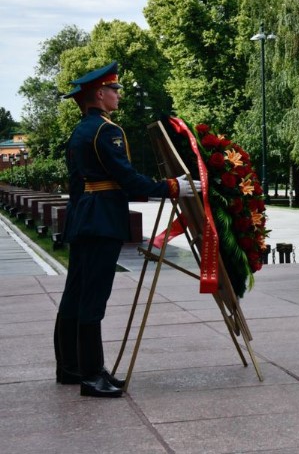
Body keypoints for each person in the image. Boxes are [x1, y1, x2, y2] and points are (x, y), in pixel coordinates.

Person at [54, 62, 199, 397]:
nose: (118, 95)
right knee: (93, 298)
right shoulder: (107, 132)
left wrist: (79, 217)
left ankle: (71, 367)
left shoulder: (80, 131)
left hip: (85, 219)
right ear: (99, 94)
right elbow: (130, 183)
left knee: (75, 294)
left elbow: (78, 185)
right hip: (102, 221)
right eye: (114, 90)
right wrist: (172, 187)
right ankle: (92, 376)